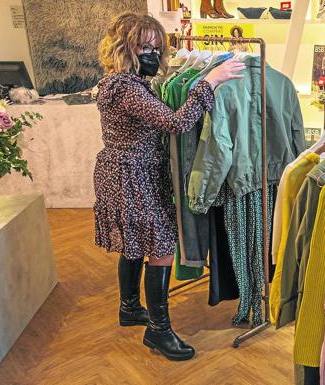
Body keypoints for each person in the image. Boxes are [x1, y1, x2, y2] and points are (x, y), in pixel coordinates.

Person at [94, 12, 245, 361]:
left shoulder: (118, 83)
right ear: (123, 47)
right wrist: (209, 81)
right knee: (160, 245)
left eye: (155, 46)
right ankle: (158, 331)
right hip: (133, 174)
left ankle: (130, 307)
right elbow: (177, 122)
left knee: (133, 243)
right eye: (142, 46)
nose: (151, 53)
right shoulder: (127, 89)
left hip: (125, 170)